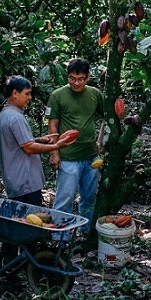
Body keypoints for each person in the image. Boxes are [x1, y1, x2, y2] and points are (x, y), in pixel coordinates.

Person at [0, 75, 74, 263]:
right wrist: (57, 146)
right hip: (24, 180)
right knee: (28, 223)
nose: (29, 98)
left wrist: (40, 140)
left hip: (17, 178)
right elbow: (28, 148)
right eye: (27, 94)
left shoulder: (7, 114)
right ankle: (28, 261)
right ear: (14, 94)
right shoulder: (15, 117)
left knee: (18, 221)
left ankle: (14, 260)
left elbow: (23, 143)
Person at [46, 58, 105, 237]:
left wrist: (100, 140)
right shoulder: (58, 95)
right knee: (65, 199)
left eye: (80, 79)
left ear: (88, 78)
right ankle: (60, 239)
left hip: (91, 156)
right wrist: (54, 153)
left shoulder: (95, 94)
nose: (76, 83)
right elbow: (52, 126)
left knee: (89, 198)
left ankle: (86, 234)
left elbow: (106, 118)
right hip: (68, 158)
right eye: (72, 78)